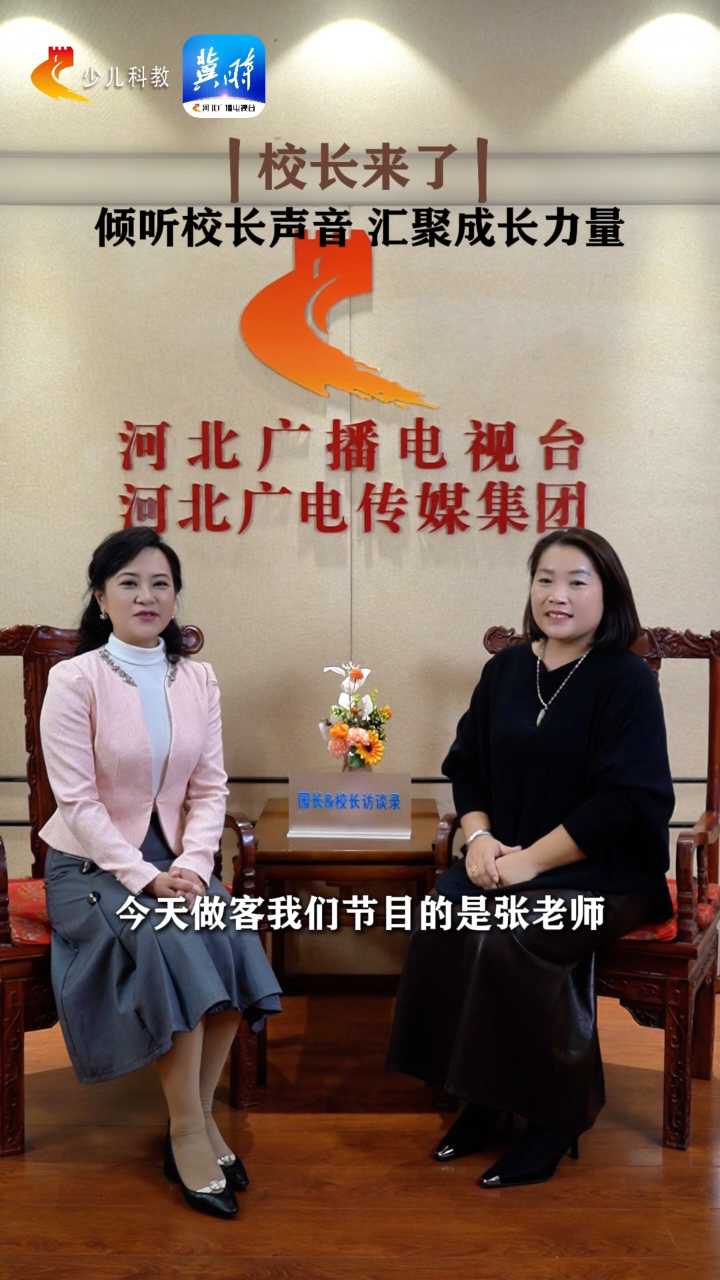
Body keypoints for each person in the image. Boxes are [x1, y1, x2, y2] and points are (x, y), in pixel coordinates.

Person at [387, 528, 674, 1187]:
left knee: (520, 930)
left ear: (608, 593)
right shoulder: (506, 670)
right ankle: (481, 1100)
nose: (557, 595)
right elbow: (466, 769)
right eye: (545, 579)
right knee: (446, 911)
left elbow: (627, 802)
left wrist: (533, 863)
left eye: (577, 581)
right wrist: (480, 839)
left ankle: (554, 1117)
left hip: (608, 871)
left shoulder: (626, 679)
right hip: (509, 857)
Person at [40, 527, 281, 1219]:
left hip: (176, 860)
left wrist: (195, 867)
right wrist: (144, 878)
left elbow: (210, 788)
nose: (146, 596)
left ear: (176, 597)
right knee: (172, 937)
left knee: (231, 931)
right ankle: (184, 1132)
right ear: (100, 597)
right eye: (129, 583)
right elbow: (77, 803)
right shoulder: (75, 679)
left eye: (161, 584)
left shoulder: (198, 678)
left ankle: (200, 1116)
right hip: (90, 866)